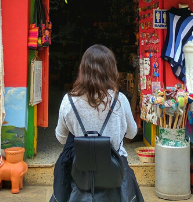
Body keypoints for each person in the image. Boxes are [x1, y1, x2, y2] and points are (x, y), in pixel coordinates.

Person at [52, 44, 144, 202]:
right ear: (111, 70)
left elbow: (61, 138)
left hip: (81, 171)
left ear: (82, 69)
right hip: (115, 171)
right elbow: (132, 133)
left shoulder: (69, 101)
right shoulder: (119, 100)